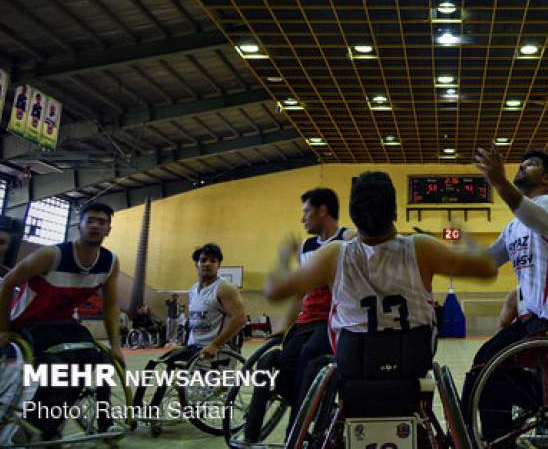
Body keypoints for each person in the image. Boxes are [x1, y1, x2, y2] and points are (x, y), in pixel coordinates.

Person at [265, 171, 497, 415]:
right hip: (413, 359)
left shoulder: (334, 255)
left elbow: (274, 290)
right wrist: (468, 239)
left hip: (353, 361)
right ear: (395, 213)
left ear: (353, 216)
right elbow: (488, 268)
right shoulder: (420, 247)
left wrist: (283, 259)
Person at [461, 148, 548, 439]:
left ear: (547, 178)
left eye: (530, 165)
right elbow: (487, 261)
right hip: (534, 322)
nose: (522, 168)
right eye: (520, 165)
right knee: (481, 364)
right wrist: (449, 253)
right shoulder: (512, 227)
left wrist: (499, 182)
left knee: (489, 372)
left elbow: (541, 221)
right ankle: (487, 436)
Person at [0, 203, 124, 439]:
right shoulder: (51, 254)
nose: (96, 225)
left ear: (109, 229)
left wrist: (116, 345)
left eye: (102, 222)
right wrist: (2, 329)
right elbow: (7, 282)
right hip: (30, 321)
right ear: (80, 225)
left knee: (102, 361)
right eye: (91, 220)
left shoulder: (109, 262)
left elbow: (110, 305)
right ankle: (39, 424)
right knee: (61, 366)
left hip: (63, 321)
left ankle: (105, 423)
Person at [265, 188, 354, 431]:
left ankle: (298, 426)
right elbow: (299, 293)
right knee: (283, 360)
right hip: (307, 320)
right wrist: (282, 327)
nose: (301, 219)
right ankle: (308, 409)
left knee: (309, 354)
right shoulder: (306, 246)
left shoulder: (347, 238)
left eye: (306, 212)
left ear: (322, 211)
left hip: (333, 320)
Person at [141, 243, 247, 409]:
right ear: (196, 264)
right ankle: (143, 407)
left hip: (217, 349)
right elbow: (193, 321)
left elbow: (240, 319)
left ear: (219, 265)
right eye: (203, 260)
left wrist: (215, 345)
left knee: (177, 373)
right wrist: (184, 343)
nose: (207, 264)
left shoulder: (224, 288)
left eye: (213, 260)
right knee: (156, 363)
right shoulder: (193, 290)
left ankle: (156, 407)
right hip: (194, 347)